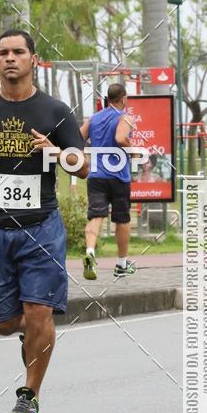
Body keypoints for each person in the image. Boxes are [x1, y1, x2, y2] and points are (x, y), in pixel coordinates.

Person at [0, 29, 88, 413]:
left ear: (33, 59)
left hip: (41, 226)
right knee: (5, 323)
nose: (10, 58)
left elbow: (84, 167)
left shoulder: (55, 111)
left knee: (38, 312)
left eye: (18, 52)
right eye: (3, 53)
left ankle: (30, 393)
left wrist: (58, 152)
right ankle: (25, 335)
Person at [80, 83, 137, 280]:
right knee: (122, 219)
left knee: (96, 216)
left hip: (96, 176)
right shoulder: (125, 117)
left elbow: (78, 137)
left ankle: (90, 252)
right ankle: (121, 264)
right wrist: (133, 150)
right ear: (123, 99)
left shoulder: (94, 118)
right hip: (118, 176)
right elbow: (121, 138)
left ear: (108, 99)